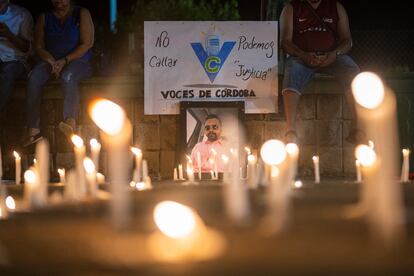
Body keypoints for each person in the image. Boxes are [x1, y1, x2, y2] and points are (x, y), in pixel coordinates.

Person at [279, 0, 362, 144]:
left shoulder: (337, 7)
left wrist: (334, 54)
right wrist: (303, 54)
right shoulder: (291, 8)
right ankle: (290, 130)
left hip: (331, 57)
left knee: (351, 68)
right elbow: (285, 42)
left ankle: (357, 127)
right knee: (292, 68)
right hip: (302, 57)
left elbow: (347, 41)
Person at [23, 0, 94, 146]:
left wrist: (65, 60)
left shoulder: (81, 13)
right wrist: (51, 62)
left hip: (78, 60)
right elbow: (38, 46)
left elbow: (87, 43)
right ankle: (33, 129)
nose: (59, 2)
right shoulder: (44, 17)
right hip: (51, 61)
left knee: (68, 76)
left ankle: (70, 121)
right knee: (33, 77)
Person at [0, 0, 33, 112]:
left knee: (7, 74)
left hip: (14, 59)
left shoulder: (21, 14)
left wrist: (8, 34)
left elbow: (26, 48)